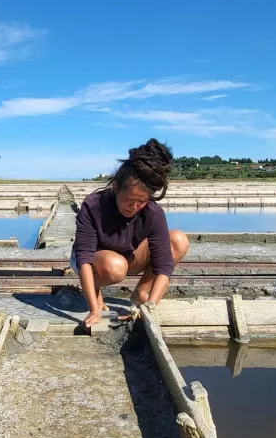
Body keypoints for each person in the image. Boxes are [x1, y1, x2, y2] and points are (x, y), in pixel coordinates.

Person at [70, 138, 190, 329]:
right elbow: (83, 256)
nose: (134, 207)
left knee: (178, 240)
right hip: (96, 260)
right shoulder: (93, 205)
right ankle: (95, 287)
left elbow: (164, 264)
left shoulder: (153, 212)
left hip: (129, 256)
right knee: (115, 266)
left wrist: (149, 307)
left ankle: (141, 293)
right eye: (129, 200)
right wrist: (94, 309)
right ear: (116, 187)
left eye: (141, 202)